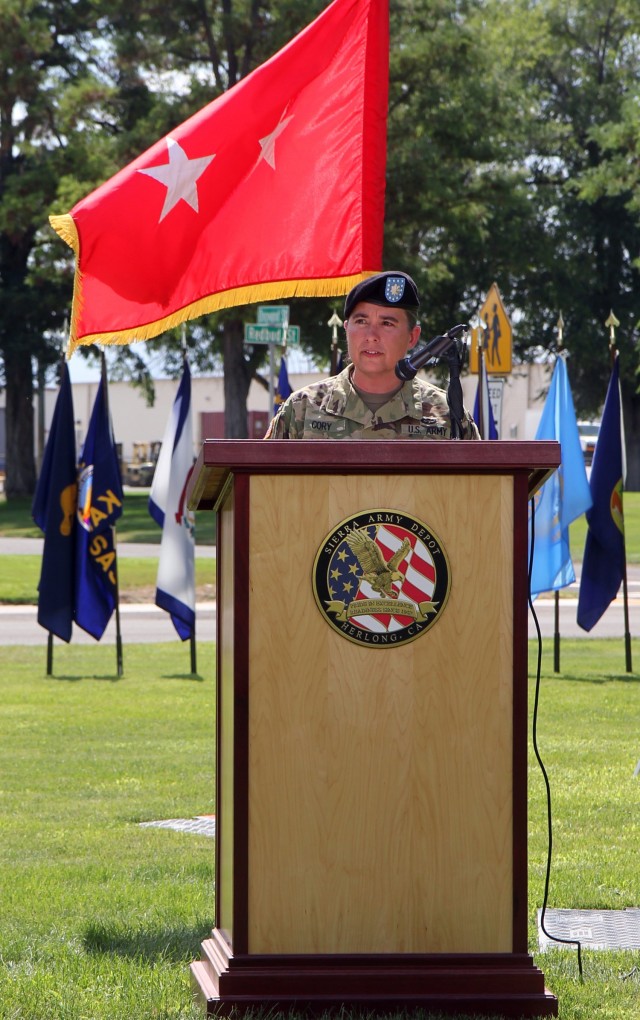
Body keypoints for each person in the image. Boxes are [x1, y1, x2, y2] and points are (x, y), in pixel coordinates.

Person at [264, 270, 480, 440]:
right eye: (361, 322)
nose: (371, 336)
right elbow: (263, 487)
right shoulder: (302, 408)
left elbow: (480, 490)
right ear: (346, 329)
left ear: (412, 337)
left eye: (387, 323)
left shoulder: (448, 414)